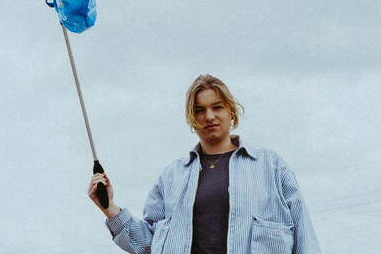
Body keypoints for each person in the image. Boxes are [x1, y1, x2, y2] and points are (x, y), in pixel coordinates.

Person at [88, 74, 321, 253]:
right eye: (200, 110)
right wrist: (109, 208)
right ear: (192, 118)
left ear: (231, 112)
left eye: (217, 107)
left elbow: (305, 238)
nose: (209, 116)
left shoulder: (271, 167)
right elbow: (149, 245)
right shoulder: (171, 178)